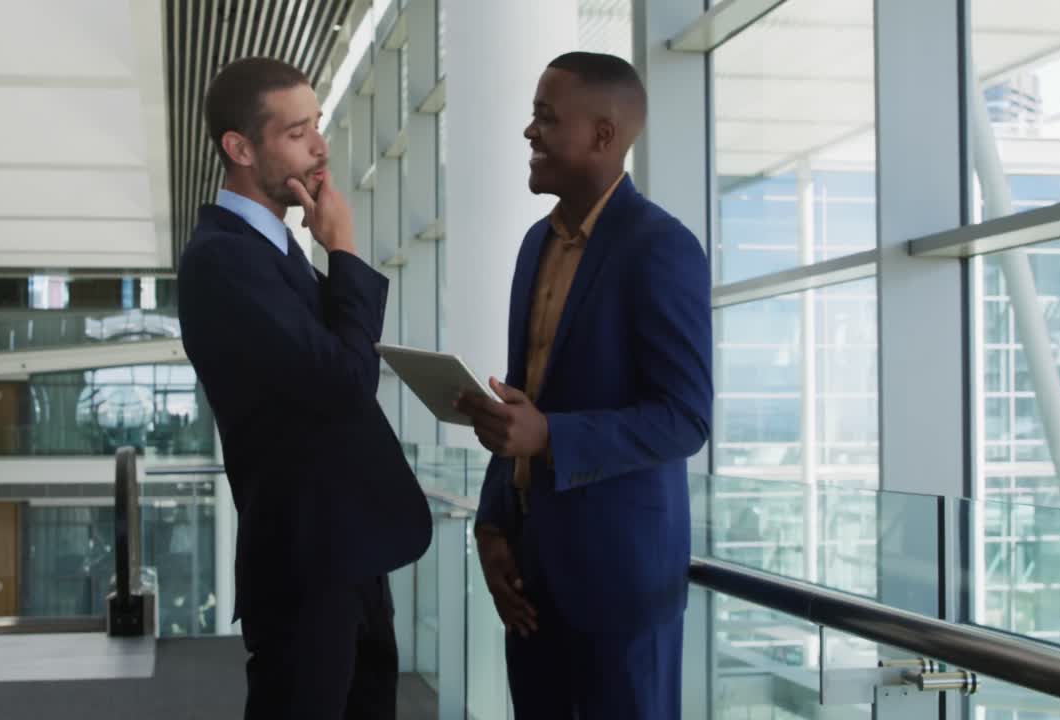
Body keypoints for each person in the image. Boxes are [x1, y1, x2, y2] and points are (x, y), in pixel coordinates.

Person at [456, 52, 713, 719]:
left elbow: (685, 417)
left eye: (546, 118)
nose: (528, 133)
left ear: (603, 136)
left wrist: (549, 435)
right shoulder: (534, 245)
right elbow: (522, 397)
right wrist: (490, 527)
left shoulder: (660, 247)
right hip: (530, 580)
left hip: (621, 588)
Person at [177, 57, 432, 720]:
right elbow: (347, 380)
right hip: (305, 563)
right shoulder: (223, 259)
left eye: (317, 124)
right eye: (297, 132)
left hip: (344, 551)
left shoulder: (273, 251)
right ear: (240, 148)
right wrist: (344, 251)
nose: (320, 145)